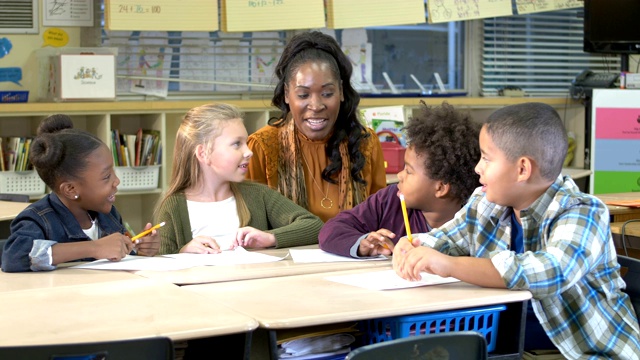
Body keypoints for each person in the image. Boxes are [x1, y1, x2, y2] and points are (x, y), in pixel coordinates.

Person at [393, 103, 640, 358]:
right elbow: (444, 239)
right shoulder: (485, 202)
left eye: (486, 158)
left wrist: (449, 265)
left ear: (522, 169)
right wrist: (416, 246)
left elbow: (551, 271)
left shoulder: (583, 212)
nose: (477, 168)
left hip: (584, 353)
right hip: (511, 350)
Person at [247, 31, 387, 222]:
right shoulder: (262, 146)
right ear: (287, 95)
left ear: (342, 92)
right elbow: (253, 228)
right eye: (303, 95)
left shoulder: (365, 143)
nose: (316, 106)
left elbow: (381, 218)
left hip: (352, 251)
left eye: (327, 93)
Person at [154, 103, 323, 255]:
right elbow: (160, 265)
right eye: (237, 144)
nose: (249, 152)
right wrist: (183, 252)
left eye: (246, 143)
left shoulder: (258, 195)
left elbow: (314, 226)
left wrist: (270, 238)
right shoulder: (173, 206)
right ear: (203, 153)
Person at [319, 101, 481, 258]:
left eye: (409, 171)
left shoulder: (476, 219)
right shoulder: (389, 201)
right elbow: (331, 231)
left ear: (440, 188)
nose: (399, 176)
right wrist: (363, 244)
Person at [1, 114, 160, 273]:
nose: (116, 181)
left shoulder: (109, 215)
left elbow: (115, 257)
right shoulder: (38, 220)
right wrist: (93, 248)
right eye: (106, 176)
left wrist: (138, 250)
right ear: (70, 190)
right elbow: (14, 257)